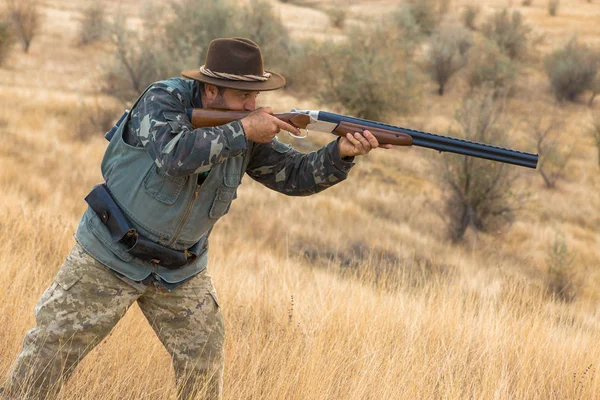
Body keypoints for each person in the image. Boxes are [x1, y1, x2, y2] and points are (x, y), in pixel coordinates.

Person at [2, 37, 391, 400]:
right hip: (109, 256)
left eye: (255, 94)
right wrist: (242, 130)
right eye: (242, 95)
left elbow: (295, 177)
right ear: (210, 90)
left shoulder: (246, 125)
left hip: (180, 271)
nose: (251, 104)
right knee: (46, 360)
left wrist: (340, 153)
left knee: (203, 369)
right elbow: (174, 155)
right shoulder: (163, 99)